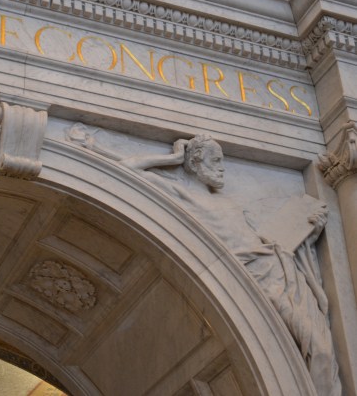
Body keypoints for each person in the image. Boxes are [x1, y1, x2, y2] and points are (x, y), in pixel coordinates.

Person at [68, 127, 341, 396]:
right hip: (256, 281)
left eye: (223, 160)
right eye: (216, 160)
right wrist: (172, 160)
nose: (223, 168)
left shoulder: (230, 203)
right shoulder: (181, 194)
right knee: (319, 349)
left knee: (323, 350)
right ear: (196, 163)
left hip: (280, 270)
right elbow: (127, 171)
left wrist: (307, 234)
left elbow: (265, 241)